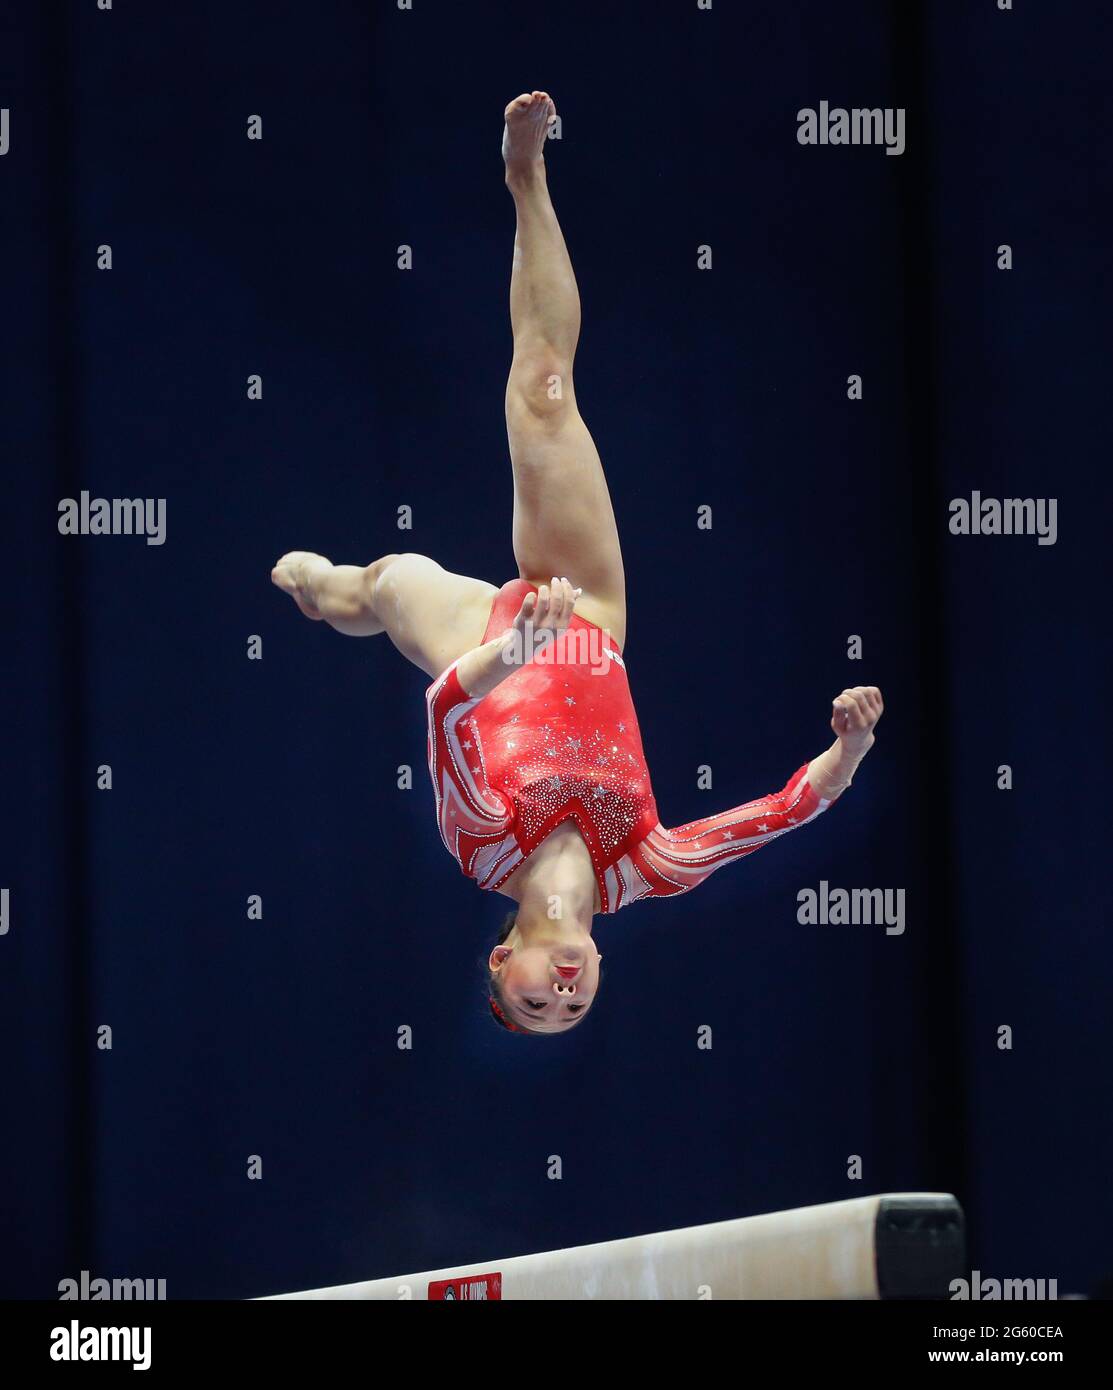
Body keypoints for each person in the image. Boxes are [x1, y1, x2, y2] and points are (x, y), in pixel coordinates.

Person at [272, 91, 884, 1036]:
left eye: (533, 999)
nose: (561, 990)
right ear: (595, 970)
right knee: (544, 392)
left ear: (500, 956)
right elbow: (784, 812)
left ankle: (324, 593)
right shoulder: (648, 867)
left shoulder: (477, 846)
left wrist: (514, 648)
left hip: (487, 643)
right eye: (575, 1004)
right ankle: (531, 177)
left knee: (384, 582)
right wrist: (847, 748)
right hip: (587, 613)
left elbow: (444, 708)